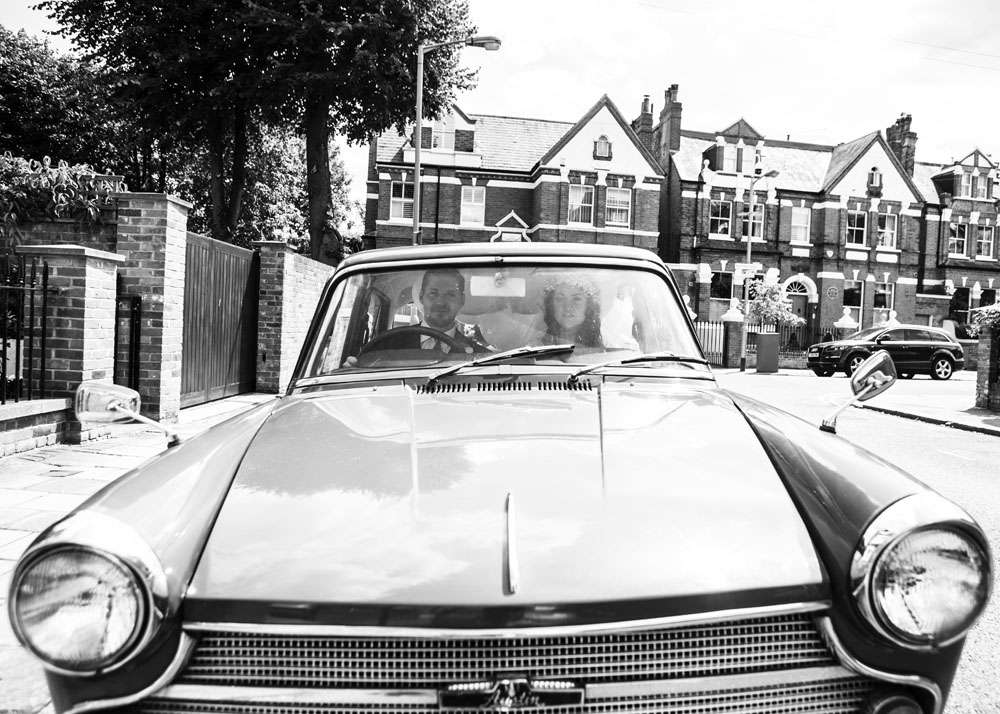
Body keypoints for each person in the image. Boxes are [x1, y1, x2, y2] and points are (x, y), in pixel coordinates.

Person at [381, 268, 492, 354]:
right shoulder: (386, 346)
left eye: (450, 295)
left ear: (462, 300)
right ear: (421, 297)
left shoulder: (480, 357)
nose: (440, 302)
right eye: (433, 293)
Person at [541, 276, 603, 347]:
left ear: (588, 306)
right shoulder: (534, 345)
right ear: (551, 305)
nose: (567, 307)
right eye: (560, 298)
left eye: (576, 299)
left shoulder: (606, 350)